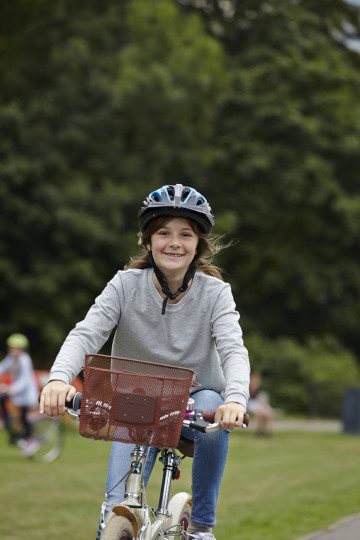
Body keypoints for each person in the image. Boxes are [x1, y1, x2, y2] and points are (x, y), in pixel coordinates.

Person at [40, 184, 250, 540]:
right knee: (114, 510)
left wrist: (236, 400)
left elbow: (233, 350)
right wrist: (59, 379)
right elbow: (85, 334)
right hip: (136, 401)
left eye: (185, 234)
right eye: (163, 232)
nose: (174, 242)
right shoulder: (124, 285)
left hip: (197, 399)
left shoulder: (215, 293)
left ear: (198, 244)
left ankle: (201, 527)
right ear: (147, 240)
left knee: (215, 415)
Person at [0, 333, 40, 455]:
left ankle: (31, 440)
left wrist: (13, 388)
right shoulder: (10, 359)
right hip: (17, 393)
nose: (12, 350)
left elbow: (25, 379)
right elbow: (1, 368)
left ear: (21, 349)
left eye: (15, 348)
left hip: (27, 393)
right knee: (4, 401)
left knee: (23, 417)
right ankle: (13, 431)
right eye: (11, 348)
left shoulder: (24, 360)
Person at [247, 371, 274, 436]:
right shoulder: (248, 387)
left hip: (257, 404)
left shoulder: (258, 390)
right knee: (259, 412)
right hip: (249, 404)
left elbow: (260, 400)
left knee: (269, 413)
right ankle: (258, 432)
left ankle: (267, 431)